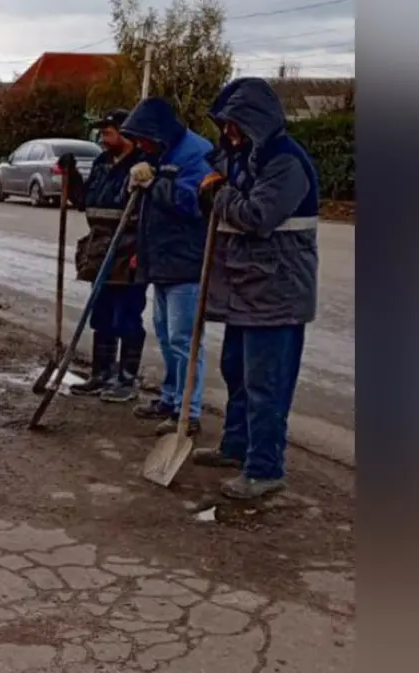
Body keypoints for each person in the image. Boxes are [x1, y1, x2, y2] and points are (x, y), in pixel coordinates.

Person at [193, 78, 320, 499]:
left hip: (277, 292)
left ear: (256, 122)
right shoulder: (249, 157)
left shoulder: (286, 162)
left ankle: (265, 469)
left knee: (267, 385)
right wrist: (215, 179)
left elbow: (256, 215)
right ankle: (236, 446)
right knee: (237, 373)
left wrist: (218, 193)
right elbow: (220, 179)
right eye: (225, 126)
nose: (228, 134)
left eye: (234, 126)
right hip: (247, 289)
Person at [118, 97, 213, 436]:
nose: (140, 146)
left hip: (187, 261)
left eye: (142, 139)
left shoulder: (195, 155)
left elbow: (194, 203)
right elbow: (149, 210)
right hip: (161, 260)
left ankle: (189, 411)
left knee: (184, 340)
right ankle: (171, 399)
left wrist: (153, 184)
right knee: (166, 334)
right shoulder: (159, 152)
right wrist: (135, 184)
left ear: (157, 133)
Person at [59, 109, 148, 402]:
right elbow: (85, 200)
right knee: (102, 314)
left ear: (126, 134)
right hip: (100, 248)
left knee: (127, 315)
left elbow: (152, 213)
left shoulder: (142, 167)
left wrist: (142, 251)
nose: (103, 137)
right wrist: (70, 176)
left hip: (128, 249)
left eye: (108, 132)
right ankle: (101, 373)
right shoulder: (101, 162)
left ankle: (126, 379)